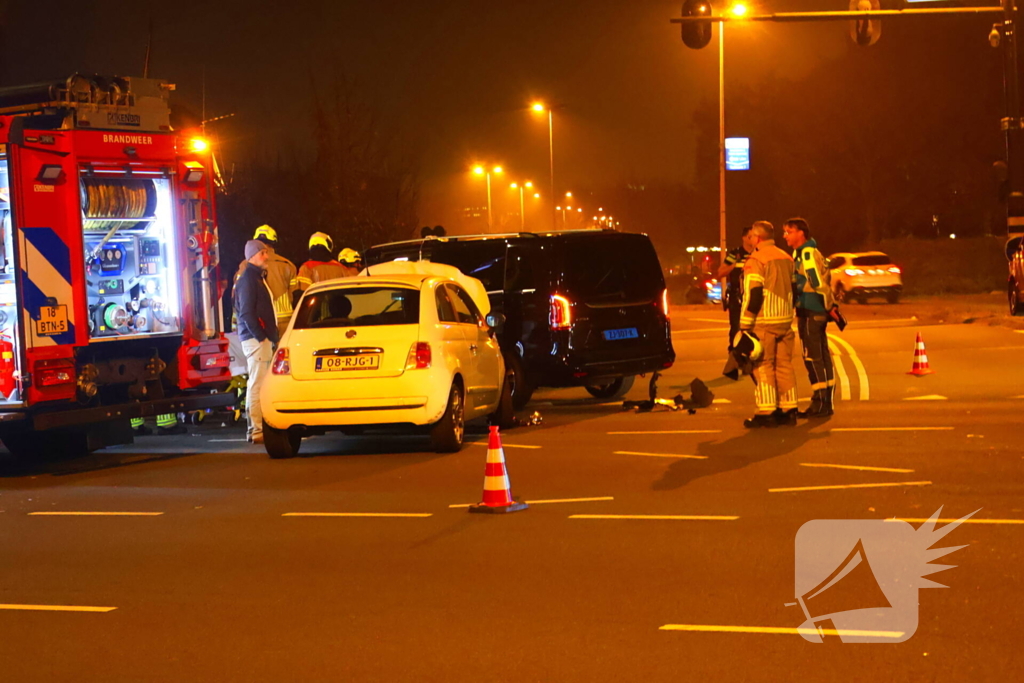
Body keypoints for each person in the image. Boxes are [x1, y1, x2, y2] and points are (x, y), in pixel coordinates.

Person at [739, 221, 797, 428]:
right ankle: (789, 409)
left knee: (762, 366)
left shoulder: (756, 260)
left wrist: (745, 324)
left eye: (751, 237)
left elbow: (754, 294)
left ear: (758, 238)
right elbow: (794, 288)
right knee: (784, 365)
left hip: (764, 320)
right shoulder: (786, 257)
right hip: (785, 319)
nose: (750, 240)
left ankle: (767, 411)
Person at [783, 217, 836, 418]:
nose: (785, 235)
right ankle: (825, 402)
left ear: (800, 233)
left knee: (812, 357)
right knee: (822, 357)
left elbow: (815, 280)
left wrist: (826, 304)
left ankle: (820, 403)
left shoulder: (806, 253)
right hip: (817, 310)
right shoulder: (809, 252)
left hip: (811, 310)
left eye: (788, 231)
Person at [234, 240, 280, 444]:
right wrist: (261, 336)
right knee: (258, 384)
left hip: (258, 338)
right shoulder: (248, 280)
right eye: (262, 253)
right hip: (256, 339)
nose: (266, 256)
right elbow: (246, 312)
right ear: (252, 256)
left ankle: (255, 429)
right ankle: (258, 430)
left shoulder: (255, 278)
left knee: (257, 383)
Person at [235, 225, 297, 337]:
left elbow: (237, 297)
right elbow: (295, 296)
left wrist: (237, 324)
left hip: (258, 324)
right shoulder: (287, 265)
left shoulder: (245, 265)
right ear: (274, 241)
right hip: (285, 323)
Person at [717, 225, 754, 380]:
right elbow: (721, 272)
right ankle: (733, 361)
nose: (754, 239)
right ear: (744, 238)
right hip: (737, 298)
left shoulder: (759, 253)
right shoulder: (735, 254)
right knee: (736, 329)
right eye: (751, 236)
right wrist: (735, 265)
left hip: (754, 297)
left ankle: (749, 361)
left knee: (752, 330)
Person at [295, 232, 346, 303]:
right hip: (338, 307)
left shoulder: (306, 267)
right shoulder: (340, 267)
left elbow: (303, 294)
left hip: (317, 309)